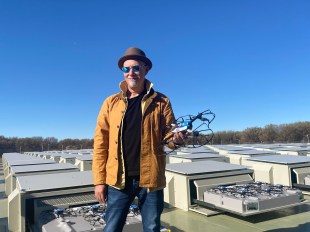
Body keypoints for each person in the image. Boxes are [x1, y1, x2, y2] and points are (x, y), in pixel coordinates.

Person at [92, 47, 184, 232]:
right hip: (118, 180)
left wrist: (178, 139)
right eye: (126, 69)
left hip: (150, 180)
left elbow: (168, 140)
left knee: (151, 227)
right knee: (111, 228)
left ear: (145, 69)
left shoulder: (161, 101)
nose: (131, 73)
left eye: (135, 68)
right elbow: (100, 143)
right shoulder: (111, 103)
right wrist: (99, 181)